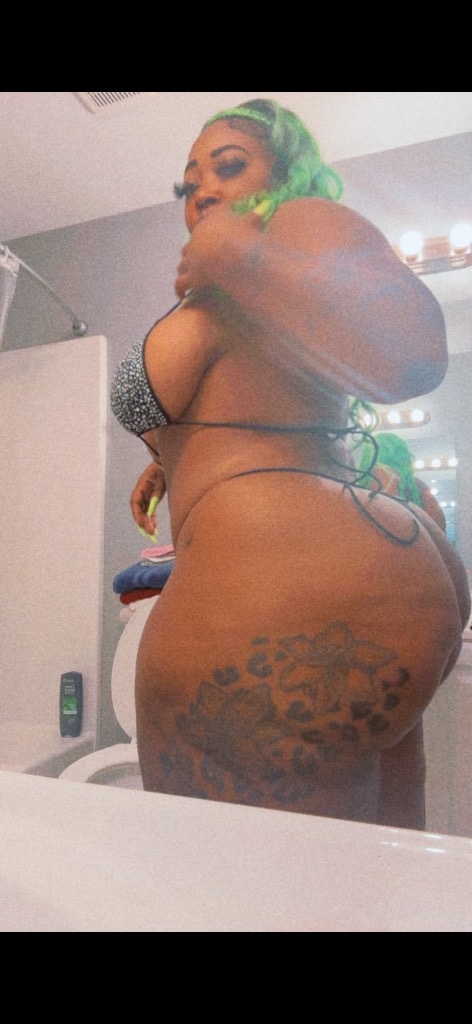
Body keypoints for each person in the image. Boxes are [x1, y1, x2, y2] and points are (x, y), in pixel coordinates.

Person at [112, 98, 470, 830]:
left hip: (286, 597)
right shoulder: (245, 290)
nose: (203, 191)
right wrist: (166, 456)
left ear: (289, 173)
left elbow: (414, 352)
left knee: (228, 876)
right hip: (338, 582)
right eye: (189, 183)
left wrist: (236, 255)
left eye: (229, 166)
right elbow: (263, 410)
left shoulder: (299, 222)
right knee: (372, 876)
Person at [356, 430, 448, 533]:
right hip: (416, 539)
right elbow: (439, 526)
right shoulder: (419, 486)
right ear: (402, 454)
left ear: (368, 456)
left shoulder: (367, 482)